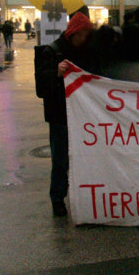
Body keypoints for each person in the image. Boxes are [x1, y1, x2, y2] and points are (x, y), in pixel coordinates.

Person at [36, 12, 95, 216]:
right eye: (81, 35)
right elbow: (41, 88)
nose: (84, 39)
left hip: (83, 115)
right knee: (61, 159)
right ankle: (58, 198)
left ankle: (86, 195)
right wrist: (56, 73)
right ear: (72, 33)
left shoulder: (87, 50)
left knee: (87, 157)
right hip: (60, 115)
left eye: (87, 35)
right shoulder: (52, 52)